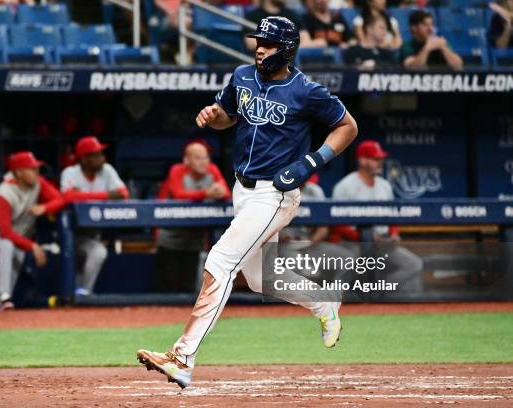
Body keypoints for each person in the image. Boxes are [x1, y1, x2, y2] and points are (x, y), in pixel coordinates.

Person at [137, 16, 358, 389]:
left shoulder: (306, 90)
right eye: (258, 41)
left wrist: (311, 162)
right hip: (243, 189)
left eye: (268, 44)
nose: (259, 48)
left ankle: (182, 357)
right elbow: (229, 117)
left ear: (285, 50)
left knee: (220, 261)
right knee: (260, 280)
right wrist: (214, 115)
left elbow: (348, 127)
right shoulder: (241, 76)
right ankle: (324, 302)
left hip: (275, 192)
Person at [330, 140, 423, 293]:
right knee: (347, 262)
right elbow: (337, 225)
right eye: (375, 159)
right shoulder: (344, 186)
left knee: (413, 263)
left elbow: (392, 217)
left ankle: (378, 293)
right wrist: (364, 238)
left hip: (383, 243)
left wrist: (394, 235)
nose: (380, 162)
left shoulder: (384, 185)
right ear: (362, 160)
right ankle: (334, 302)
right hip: (353, 243)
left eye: (380, 158)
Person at [0, 152, 66, 311]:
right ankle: (5, 297)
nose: (36, 172)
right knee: (6, 245)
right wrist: (32, 246)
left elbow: (61, 199)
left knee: (16, 254)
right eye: (31, 169)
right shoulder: (4, 193)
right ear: (18, 172)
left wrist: (44, 207)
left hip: (17, 239)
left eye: (36, 168)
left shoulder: (38, 183)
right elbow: (4, 232)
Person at [154, 139, 231, 293]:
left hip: (195, 239)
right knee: (165, 288)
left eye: (206, 157)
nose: (203, 162)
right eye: (198, 158)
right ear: (186, 160)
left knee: (188, 287)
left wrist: (220, 193)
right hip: (170, 237)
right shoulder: (177, 170)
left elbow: (226, 192)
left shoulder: (212, 170)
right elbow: (178, 194)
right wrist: (206, 193)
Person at [60, 136, 129, 297]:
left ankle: (83, 294)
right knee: (95, 253)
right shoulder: (70, 173)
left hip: (94, 235)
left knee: (97, 251)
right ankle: (79, 295)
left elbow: (123, 194)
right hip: (71, 235)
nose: (102, 158)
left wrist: (84, 195)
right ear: (84, 159)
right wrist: (107, 195)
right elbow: (68, 197)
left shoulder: (107, 170)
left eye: (101, 154)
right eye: (96, 155)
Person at [244, 0, 327, 51]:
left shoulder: (292, 15)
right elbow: (251, 43)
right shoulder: (253, 16)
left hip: (291, 63)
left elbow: (306, 40)